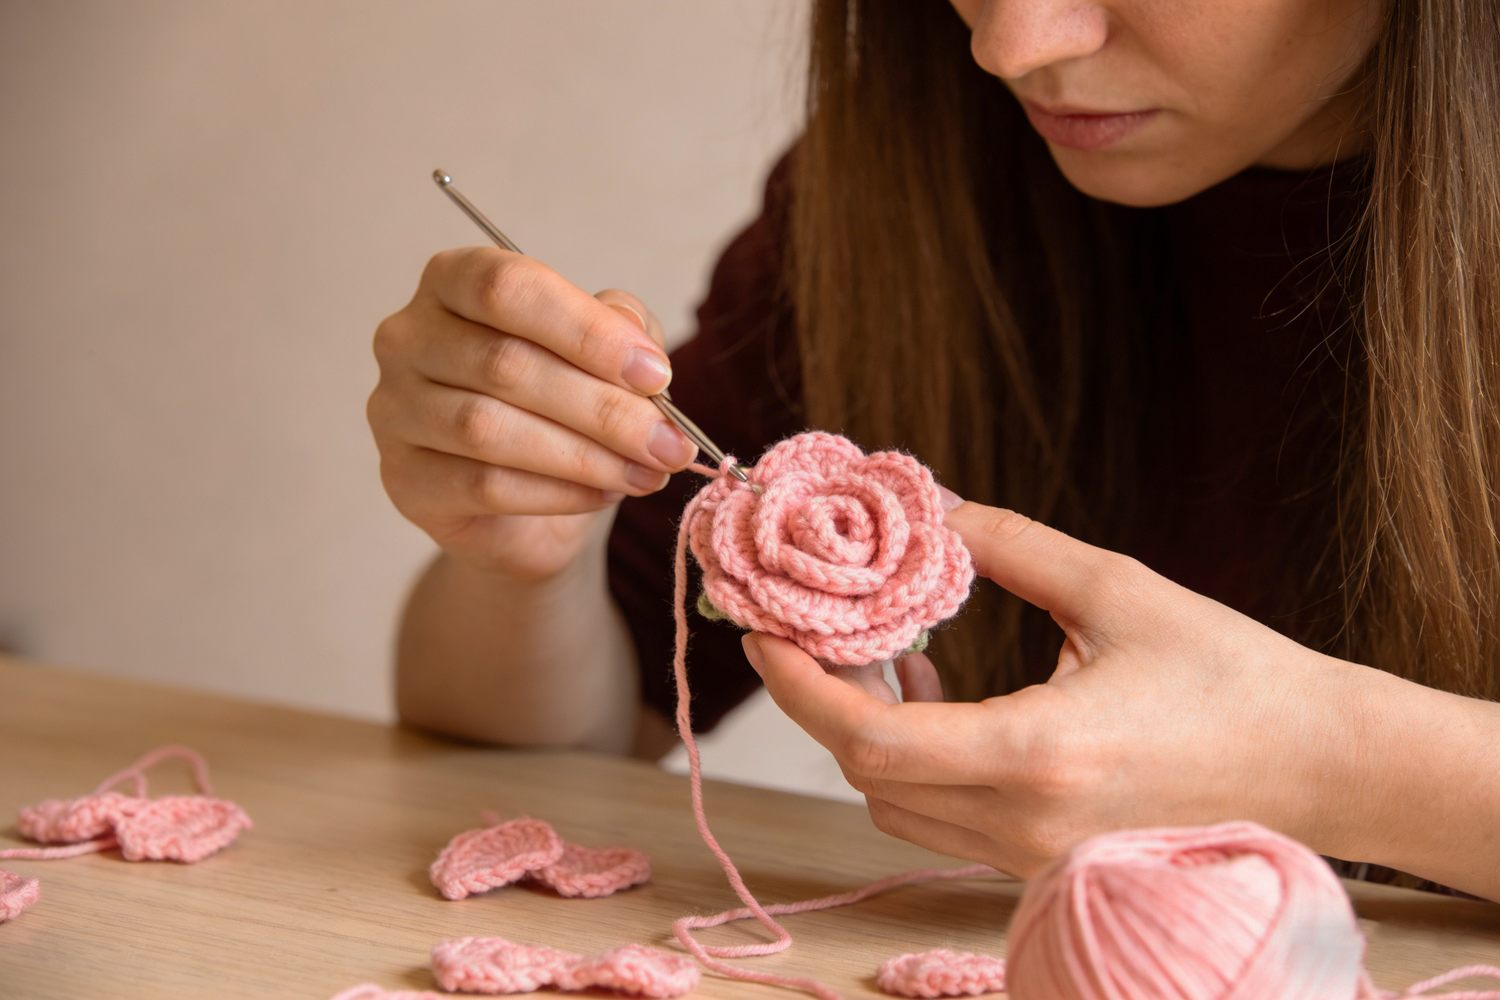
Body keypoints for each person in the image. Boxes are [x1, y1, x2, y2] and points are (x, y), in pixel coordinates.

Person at [366, 0, 1500, 900]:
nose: (1012, 43)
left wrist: (1338, 764)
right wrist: (528, 552)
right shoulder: (916, 187)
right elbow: (560, 734)